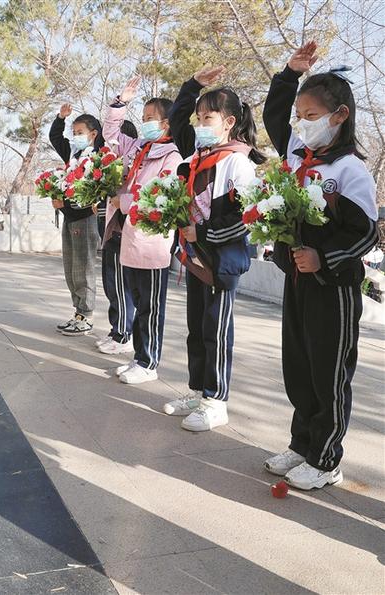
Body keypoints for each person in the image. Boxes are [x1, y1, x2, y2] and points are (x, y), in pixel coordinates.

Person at [261, 42, 379, 490]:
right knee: (300, 368)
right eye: (300, 115)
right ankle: (302, 444)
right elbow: (273, 117)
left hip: (333, 288)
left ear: (340, 116)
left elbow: (365, 234)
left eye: (311, 116)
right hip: (298, 282)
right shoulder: (298, 157)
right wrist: (289, 74)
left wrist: (323, 258)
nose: (302, 124)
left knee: (329, 374)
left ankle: (327, 459)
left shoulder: (349, 171)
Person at [164, 66, 267, 431]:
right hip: (195, 259)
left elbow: (247, 218)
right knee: (196, 328)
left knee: (216, 331)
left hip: (221, 262)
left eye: (208, 118)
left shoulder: (238, 161)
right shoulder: (197, 157)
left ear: (229, 122)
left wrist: (202, 232)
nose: (199, 124)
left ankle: (216, 400)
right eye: (199, 118)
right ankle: (198, 391)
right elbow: (177, 119)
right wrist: (192, 85)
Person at [102, 76, 182, 384]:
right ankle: (138, 357)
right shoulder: (139, 149)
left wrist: (122, 202)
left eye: (150, 118)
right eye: (144, 117)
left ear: (166, 124)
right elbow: (110, 133)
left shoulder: (172, 157)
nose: (145, 122)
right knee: (137, 301)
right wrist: (121, 103)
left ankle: (149, 363)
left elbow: (157, 197)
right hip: (130, 240)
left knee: (151, 307)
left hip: (152, 243)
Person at [49, 104, 104, 336]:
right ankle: (78, 312)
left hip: (86, 218)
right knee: (71, 268)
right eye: (74, 132)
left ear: (93, 134)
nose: (76, 136)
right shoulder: (74, 154)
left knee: (83, 268)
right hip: (70, 217)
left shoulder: (100, 155)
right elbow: (55, 137)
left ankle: (86, 315)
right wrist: (60, 118)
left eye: (80, 132)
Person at [94, 118, 139, 357]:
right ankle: (116, 329)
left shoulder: (130, 165)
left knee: (121, 286)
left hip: (121, 231)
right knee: (111, 284)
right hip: (108, 231)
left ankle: (124, 334)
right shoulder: (110, 164)